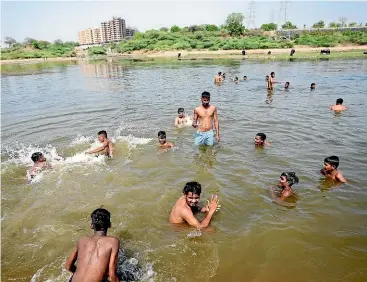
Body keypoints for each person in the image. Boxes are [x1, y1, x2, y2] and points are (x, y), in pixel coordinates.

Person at [65, 208, 120, 282]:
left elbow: (68, 267)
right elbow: (112, 277)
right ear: (110, 225)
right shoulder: (113, 242)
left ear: (91, 225)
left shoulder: (82, 240)